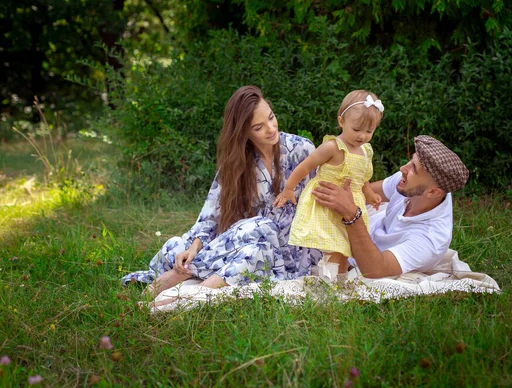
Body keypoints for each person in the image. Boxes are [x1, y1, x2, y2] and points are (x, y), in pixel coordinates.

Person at [121, 86, 322, 297]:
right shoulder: (236, 164)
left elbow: (322, 201)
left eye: (271, 118)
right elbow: (211, 215)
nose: (271, 129)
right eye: (258, 127)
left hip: (290, 252)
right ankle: (191, 271)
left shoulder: (303, 150)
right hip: (254, 247)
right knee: (179, 245)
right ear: (243, 131)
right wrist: (193, 248)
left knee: (264, 225)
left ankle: (181, 275)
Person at [311, 135, 469, 278]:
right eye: (411, 161)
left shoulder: (430, 239)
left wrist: (351, 213)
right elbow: (365, 192)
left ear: (433, 192)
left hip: (363, 253)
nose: (403, 169)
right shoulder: (409, 183)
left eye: (414, 169)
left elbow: (375, 270)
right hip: (366, 226)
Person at [273, 90, 384, 277]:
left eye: (369, 131)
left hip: (352, 205)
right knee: (334, 246)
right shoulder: (333, 147)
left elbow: (362, 179)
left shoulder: (366, 151)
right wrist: (289, 188)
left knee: (345, 248)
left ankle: (340, 280)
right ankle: (328, 281)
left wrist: (370, 194)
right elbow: (305, 166)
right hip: (327, 204)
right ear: (341, 121)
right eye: (357, 130)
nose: (362, 136)